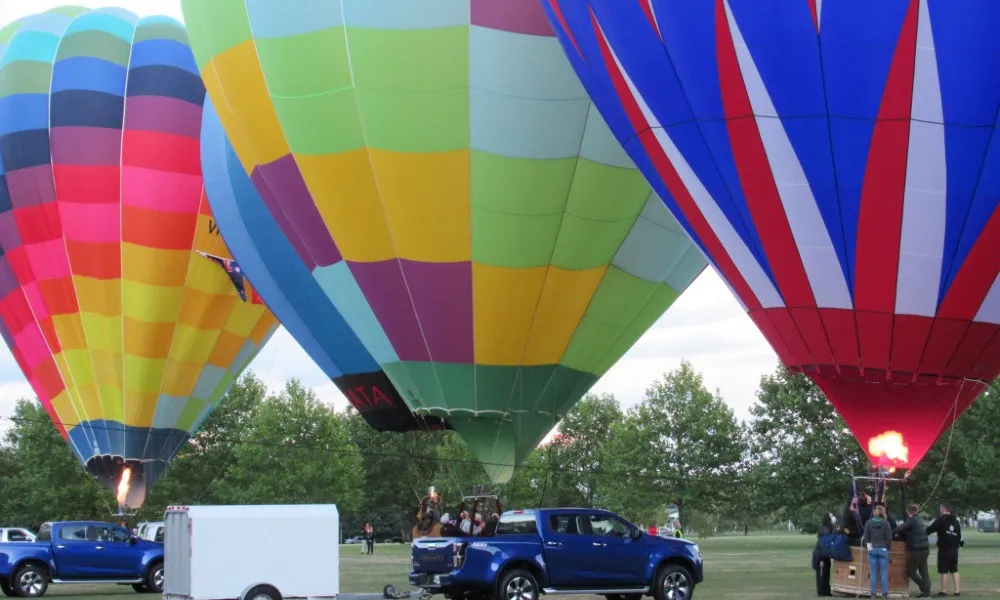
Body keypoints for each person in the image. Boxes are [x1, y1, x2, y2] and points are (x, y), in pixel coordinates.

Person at [894, 504, 931, 597]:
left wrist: (888, 532)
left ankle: (923, 586)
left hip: (916, 550)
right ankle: (927, 593)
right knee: (924, 572)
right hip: (925, 549)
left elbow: (900, 528)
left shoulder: (911, 521)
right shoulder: (919, 520)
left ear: (908, 511)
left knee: (910, 571)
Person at [926, 503, 962, 596]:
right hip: (954, 549)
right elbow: (959, 536)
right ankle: (957, 591)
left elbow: (929, 530)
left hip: (944, 549)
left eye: (940, 508)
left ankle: (944, 591)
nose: (939, 510)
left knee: (944, 570)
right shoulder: (956, 521)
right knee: (954, 569)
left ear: (943, 509)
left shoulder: (941, 520)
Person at [862, 505, 893, 598]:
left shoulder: (868, 523)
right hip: (883, 549)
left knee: (873, 573)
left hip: (872, 549)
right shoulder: (886, 523)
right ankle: (884, 593)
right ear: (882, 513)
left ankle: (873, 593)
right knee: (884, 572)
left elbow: (866, 538)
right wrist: (887, 548)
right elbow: (889, 538)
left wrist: (867, 546)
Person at [813, 512, 835, 597]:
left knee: (826, 573)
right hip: (821, 555)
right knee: (821, 573)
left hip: (826, 555)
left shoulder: (830, 528)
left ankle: (826, 591)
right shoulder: (824, 529)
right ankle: (821, 591)